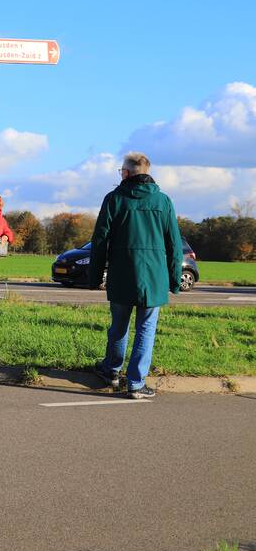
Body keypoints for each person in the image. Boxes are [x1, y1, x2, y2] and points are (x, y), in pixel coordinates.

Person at [89, 152, 182, 399]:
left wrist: (95, 274)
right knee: (146, 329)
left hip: (122, 274)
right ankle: (136, 383)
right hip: (154, 278)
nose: (120, 174)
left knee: (118, 326)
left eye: (121, 171)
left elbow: (99, 240)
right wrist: (174, 280)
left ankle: (110, 370)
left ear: (127, 173)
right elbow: (174, 244)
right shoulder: (163, 202)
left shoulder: (114, 199)